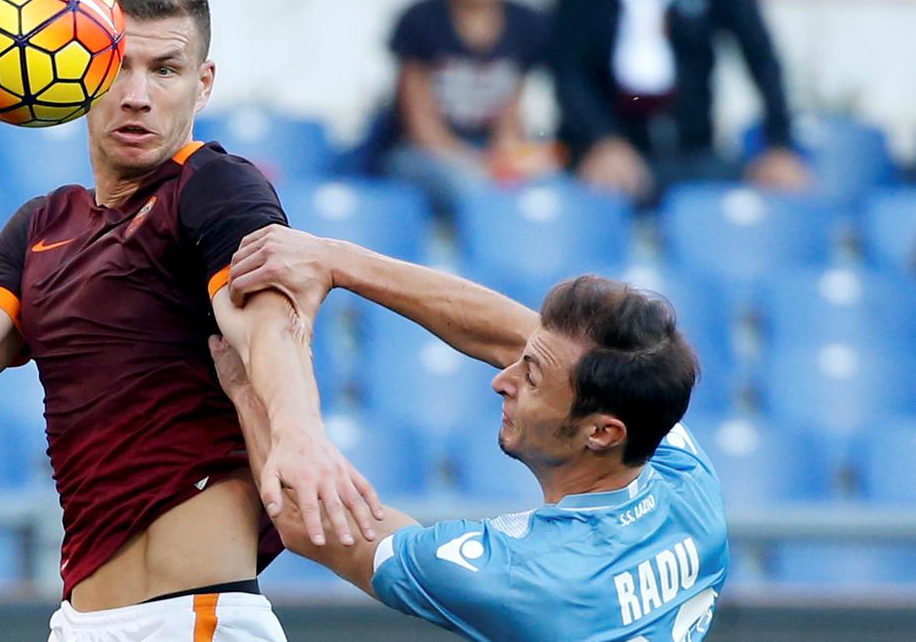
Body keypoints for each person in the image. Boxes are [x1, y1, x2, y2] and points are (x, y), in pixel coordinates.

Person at [0, 0, 382, 641]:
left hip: (196, 618)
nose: (138, 96)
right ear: (80, 71)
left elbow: (266, 326)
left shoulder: (214, 188)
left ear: (203, 83)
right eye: (118, 67)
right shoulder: (40, 226)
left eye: (166, 70)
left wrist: (297, 429)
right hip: (80, 624)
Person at [209, 224, 729, 641]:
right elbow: (516, 338)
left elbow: (306, 518)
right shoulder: (685, 479)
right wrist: (334, 261)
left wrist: (250, 383)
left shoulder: (524, 576)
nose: (502, 379)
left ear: (601, 433)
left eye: (530, 378)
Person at [554, 0, 809, 203]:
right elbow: (568, 71)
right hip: (616, 159)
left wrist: (780, 145)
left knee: (764, 194)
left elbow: (760, 55)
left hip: (697, 153)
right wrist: (603, 140)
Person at [378, 0, 550, 222]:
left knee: (545, 185)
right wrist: (479, 165)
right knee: (470, 187)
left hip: (485, 151)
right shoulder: (420, 19)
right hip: (422, 153)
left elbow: (511, 113)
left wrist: (511, 158)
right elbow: (421, 125)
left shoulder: (527, 23)